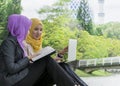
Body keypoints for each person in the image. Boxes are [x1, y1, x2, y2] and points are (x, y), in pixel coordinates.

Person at [0, 14, 77, 86]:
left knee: (54, 69)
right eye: (27, 29)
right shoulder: (9, 42)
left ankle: (74, 83)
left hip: (18, 77)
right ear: (20, 28)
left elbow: (21, 64)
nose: (27, 32)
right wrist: (29, 58)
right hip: (11, 81)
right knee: (46, 60)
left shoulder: (17, 43)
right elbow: (12, 68)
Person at [23, 18, 79, 86]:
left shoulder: (38, 44)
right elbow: (23, 63)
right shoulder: (23, 44)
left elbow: (48, 63)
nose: (39, 32)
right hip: (29, 77)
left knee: (63, 65)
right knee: (51, 63)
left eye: (41, 30)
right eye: (36, 29)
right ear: (29, 29)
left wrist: (61, 54)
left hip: (39, 75)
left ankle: (78, 84)